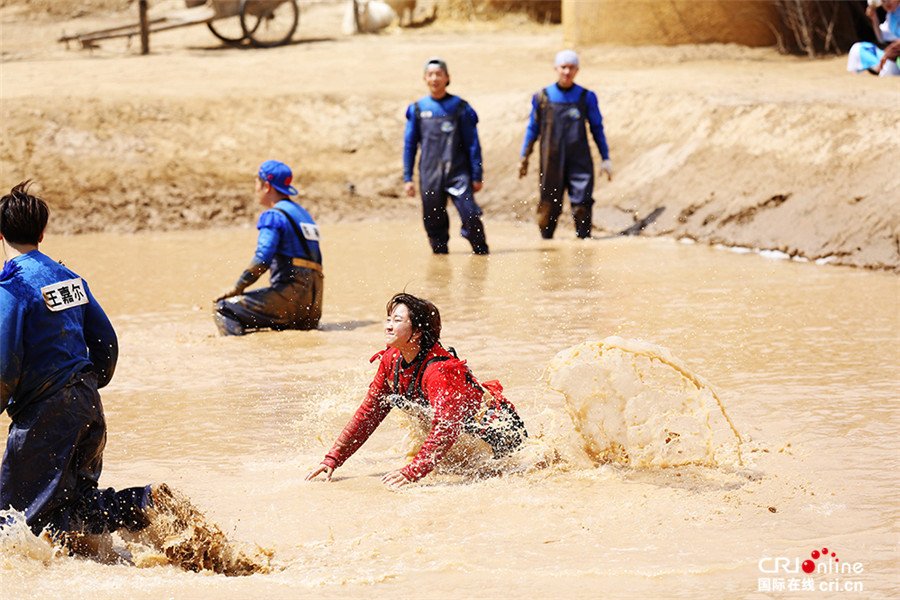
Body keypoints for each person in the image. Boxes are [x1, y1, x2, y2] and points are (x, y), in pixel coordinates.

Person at [0, 181, 154, 543]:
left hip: (45, 413)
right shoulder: (70, 278)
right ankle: (143, 502)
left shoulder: (11, 288)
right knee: (74, 506)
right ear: (41, 233)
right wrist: (85, 386)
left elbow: (4, 364)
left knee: (12, 523)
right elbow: (107, 344)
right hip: (87, 403)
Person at [306, 293, 527, 489]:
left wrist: (412, 472)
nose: (388, 326)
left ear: (418, 332)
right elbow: (369, 413)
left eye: (397, 320)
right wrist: (333, 459)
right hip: (460, 433)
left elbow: (446, 428)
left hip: (497, 432)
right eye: (388, 319)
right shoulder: (391, 360)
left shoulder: (439, 371)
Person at [214, 160, 323, 335]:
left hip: (289, 300)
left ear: (267, 186)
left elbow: (262, 259)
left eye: (257, 183)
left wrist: (237, 287)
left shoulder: (273, 216)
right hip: (313, 307)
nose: (255, 189)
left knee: (224, 308)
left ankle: (236, 356)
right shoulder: (303, 214)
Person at [519, 49, 613, 239]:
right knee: (548, 205)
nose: (567, 72)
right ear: (556, 68)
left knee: (582, 204)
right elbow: (532, 128)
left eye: (571, 68)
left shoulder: (586, 97)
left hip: (579, 160)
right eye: (563, 67)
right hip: (551, 160)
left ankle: (584, 243)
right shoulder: (543, 97)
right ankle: (546, 246)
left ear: (577, 69)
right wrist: (524, 157)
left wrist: (605, 157)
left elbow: (597, 128)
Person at [403, 57, 489, 255]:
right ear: (425, 78)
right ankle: (440, 259)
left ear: (447, 77)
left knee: (471, 215)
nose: (435, 78)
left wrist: (477, 174)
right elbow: (409, 145)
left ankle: (481, 252)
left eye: (439, 74)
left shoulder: (461, 108)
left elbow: (473, 143)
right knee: (433, 221)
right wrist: (408, 177)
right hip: (429, 174)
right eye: (430, 74)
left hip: (458, 172)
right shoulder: (417, 109)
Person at [847, 0, 900, 76]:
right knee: (857, 48)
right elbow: (881, 39)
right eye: (884, 1)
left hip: (896, 53)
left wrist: (893, 50)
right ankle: (881, 69)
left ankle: (883, 70)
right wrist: (874, 18)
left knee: (891, 59)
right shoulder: (890, 16)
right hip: (893, 53)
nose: (887, 3)